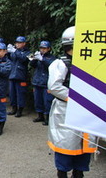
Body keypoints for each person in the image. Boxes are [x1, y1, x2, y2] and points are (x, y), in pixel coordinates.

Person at [47, 26, 97, 178]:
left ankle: (79, 172)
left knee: (83, 148)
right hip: (66, 111)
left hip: (86, 112)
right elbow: (54, 87)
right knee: (66, 146)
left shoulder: (90, 63)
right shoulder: (60, 64)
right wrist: (78, 98)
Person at [29, 41, 56, 125]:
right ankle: (40, 116)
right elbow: (32, 65)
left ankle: (47, 118)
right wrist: (34, 59)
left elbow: (51, 65)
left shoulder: (52, 58)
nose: (42, 50)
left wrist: (42, 59)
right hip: (37, 81)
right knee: (38, 100)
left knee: (47, 101)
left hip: (46, 83)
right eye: (41, 48)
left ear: (48, 49)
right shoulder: (39, 56)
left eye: (44, 48)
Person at [7, 36, 30, 117]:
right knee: (12, 93)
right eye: (16, 43)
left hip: (21, 76)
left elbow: (24, 59)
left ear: (24, 43)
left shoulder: (27, 52)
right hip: (12, 74)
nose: (17, 44)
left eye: (19, 43)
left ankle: (20, 110)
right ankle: (14, 108)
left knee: (20, 94)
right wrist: (8, 52)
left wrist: (15, 51)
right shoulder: (14, 51)